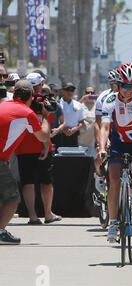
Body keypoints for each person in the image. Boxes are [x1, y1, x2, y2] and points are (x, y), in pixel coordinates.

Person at [97, 63, 132, 243]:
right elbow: (105, 127)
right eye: (125, 86)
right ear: (118, 85)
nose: (129, 90)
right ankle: (113, 223)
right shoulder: (110, 101)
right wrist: (102, 147)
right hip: (118, 144)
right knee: (113, 181)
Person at [0, 80, 51, 243]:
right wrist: (45, 116)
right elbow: (43, 136)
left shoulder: (3, 104)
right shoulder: (26, 113)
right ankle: (0, 231)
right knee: (12, 198)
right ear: (30, 96)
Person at [14, 72, 62, 225]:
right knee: (46, 181)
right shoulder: (44, 101)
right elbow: (47, 126)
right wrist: (46, 146)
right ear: (40, 85)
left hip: (23, 146)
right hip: (42, 145)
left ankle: (33, 216)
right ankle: (48, 214)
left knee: (27, 181)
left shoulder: (18, 103)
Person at [58, 83, 86, 147]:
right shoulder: (58, 104)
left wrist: (75, 129)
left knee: (74, 155)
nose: (70, 92)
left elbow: (82, 122)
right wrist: (63, 129)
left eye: (72, 90)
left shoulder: (78, 105)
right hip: (60, 134)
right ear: (63, 91)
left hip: (74, 134)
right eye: (68, 90)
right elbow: (55, 121)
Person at [78, 86, 97, 157]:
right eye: (87, 92)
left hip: (93, 143)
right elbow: (73, 111)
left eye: (92, 92)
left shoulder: (98, 105)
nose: (90, 94)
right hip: (81, 142)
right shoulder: (80, 105)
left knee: (94, 166)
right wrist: (82, 99)